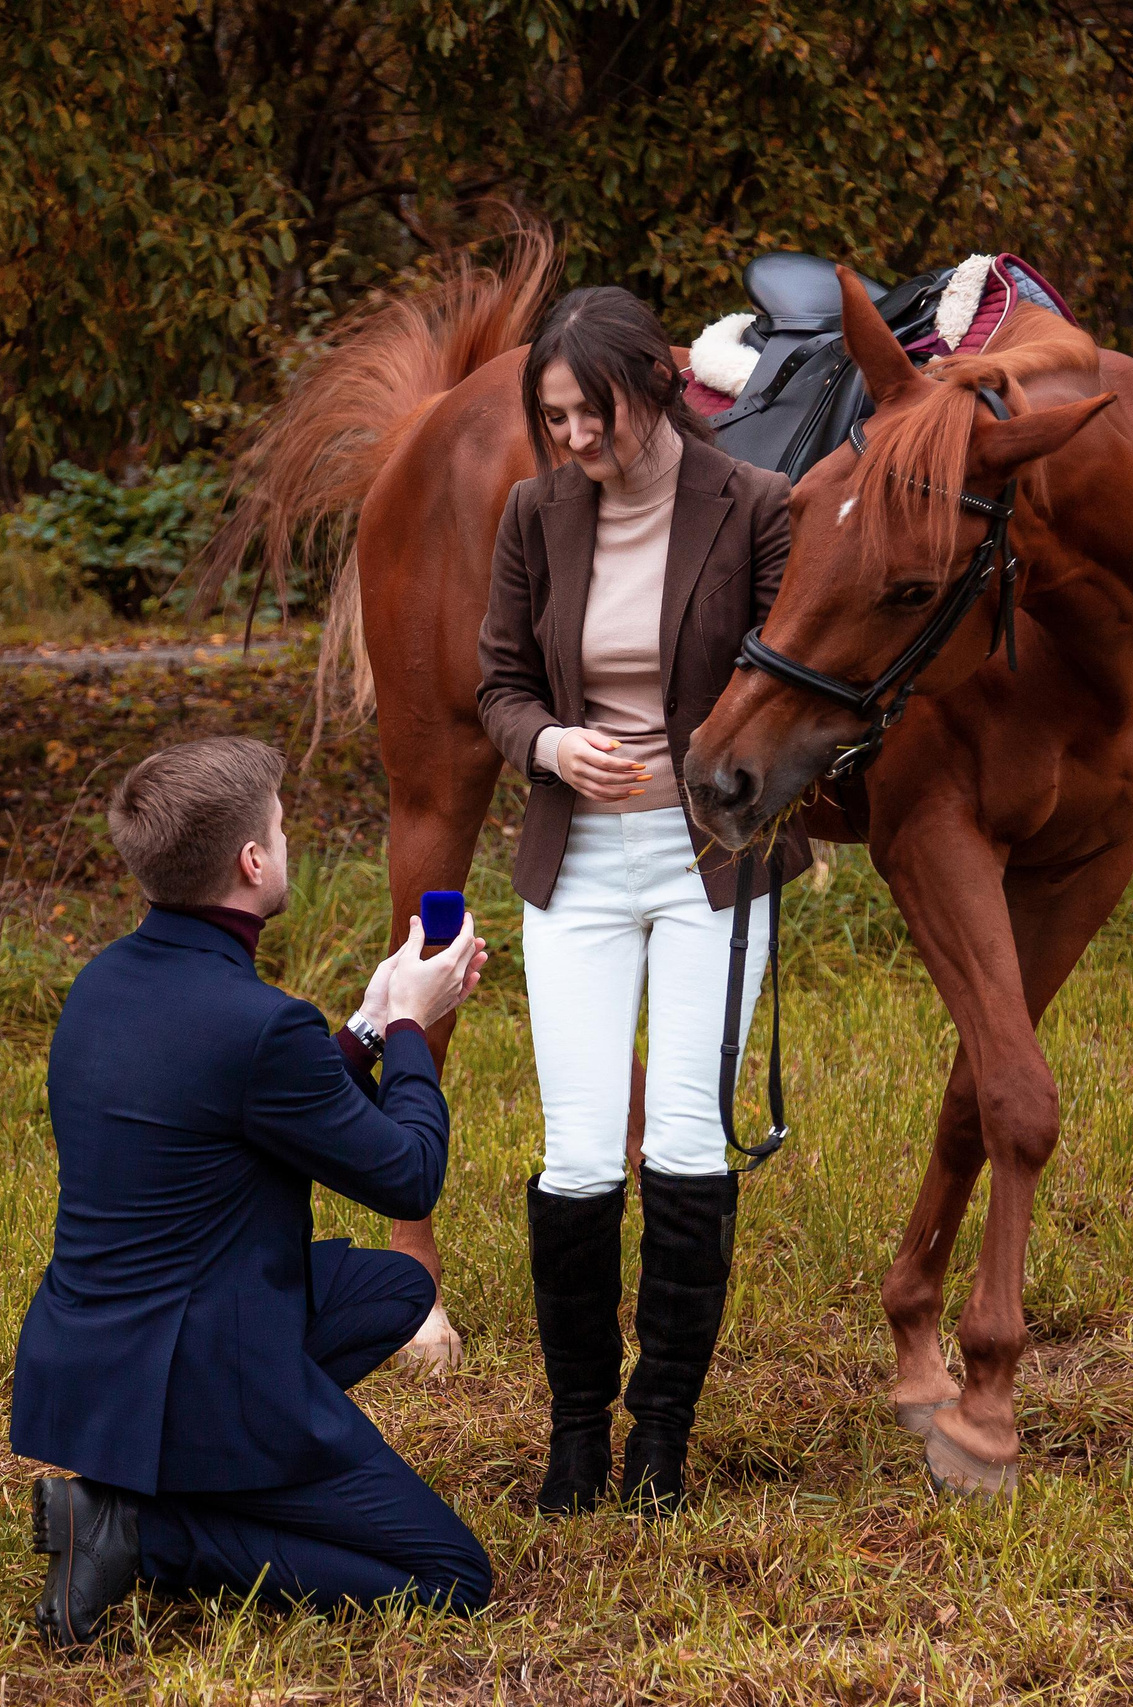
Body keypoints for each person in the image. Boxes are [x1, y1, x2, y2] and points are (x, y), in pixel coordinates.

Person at [9, 735, 494, 1645]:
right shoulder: (259, 1024)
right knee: (451, 1577)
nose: (288, 836)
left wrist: (362, 1025)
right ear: (251, 859)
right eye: (281, 823)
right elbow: (406, 1170)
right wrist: (410, 1023)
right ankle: (146, 1529)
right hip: (201, 1368)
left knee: (398, 1287)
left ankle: (161, 1478)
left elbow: (251, 1110)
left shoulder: (102, 982)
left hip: (91, 1366)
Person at [476, 286, 812, 1516]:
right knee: (574, 1157)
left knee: (679, 1136)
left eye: (588, 413)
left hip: (705, 862)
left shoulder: (759, 510)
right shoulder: (533, 514)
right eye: (553, 417)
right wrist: (549, 748)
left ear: (656, 390)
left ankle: (659, 1440)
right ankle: (575, 1440)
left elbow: (787, 695)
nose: (570, 439)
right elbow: (499, 684)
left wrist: (697, 764)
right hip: (576, 868)